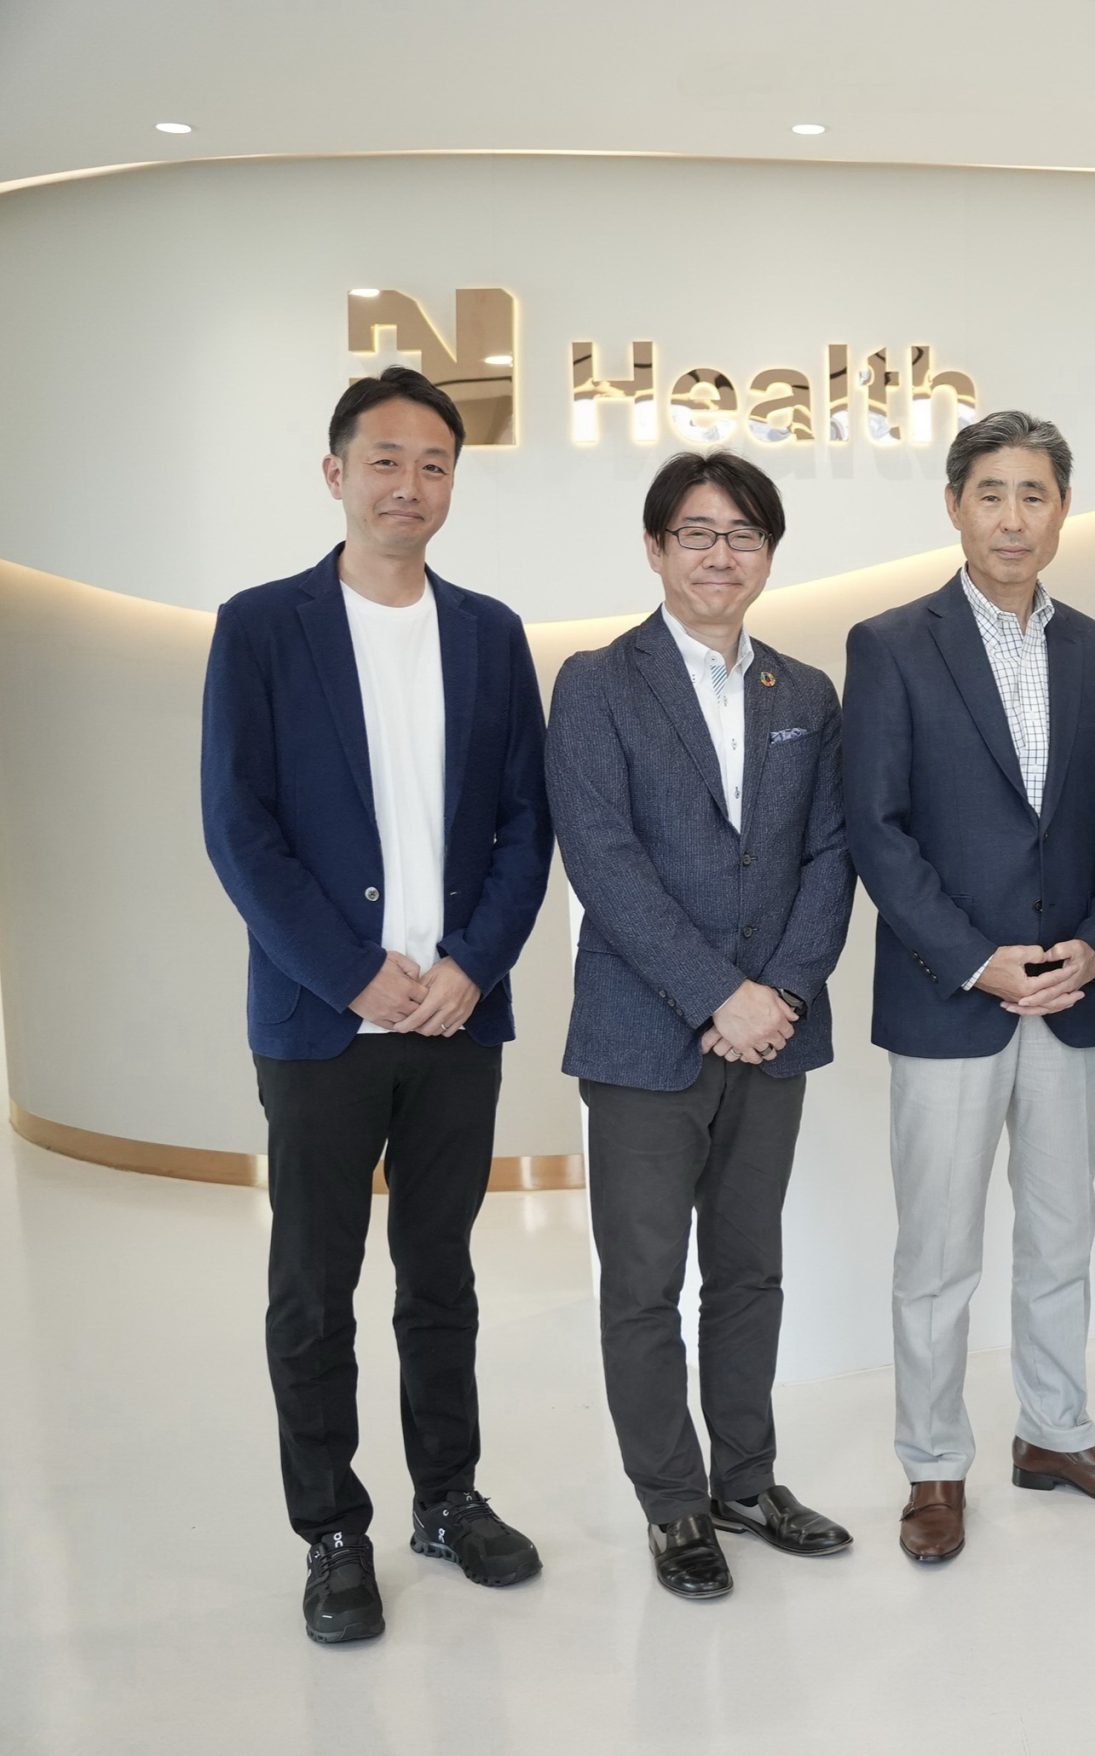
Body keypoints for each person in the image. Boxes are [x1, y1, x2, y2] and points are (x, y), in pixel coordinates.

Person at [201, 367, 552, 1644]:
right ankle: (332, 1530)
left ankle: (447, 1498)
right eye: (387, 460)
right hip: (321, 1022)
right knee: (314, 1285)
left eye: (435, 464)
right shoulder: (261, 626)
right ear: (336, 472)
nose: (411, 484)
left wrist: (473, 964)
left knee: (441, 1274)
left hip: (456, 1018)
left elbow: (525, 824)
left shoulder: (491, 633)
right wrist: (349, 971)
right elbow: (239, 829)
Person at [843, 410, 1095, 1566]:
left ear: (1062, 510)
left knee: (1061, 1229)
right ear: (954, 505)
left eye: (1035, 494)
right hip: (952, 996)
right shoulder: (891, 643)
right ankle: (934, 1463)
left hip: (1070, 991)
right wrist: (975, 958)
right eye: (991, 493)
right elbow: (877, 830)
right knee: (937, 1251)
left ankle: (1055, 1431)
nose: (1013, 517)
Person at [548, 450, 855, 1600]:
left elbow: (831, 855)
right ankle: (673, 1503)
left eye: (743, 535)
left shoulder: (804, 693)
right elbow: (603, 860)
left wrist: (779, 993)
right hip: (644, 1038)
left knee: (748, 1272)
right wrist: (715, 993)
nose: (721, 554)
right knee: (643, 1284)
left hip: (774, 1035)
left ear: (768, 554)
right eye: (697, 532)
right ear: (655, 547)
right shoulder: (596, 683)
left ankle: (747, 1480)